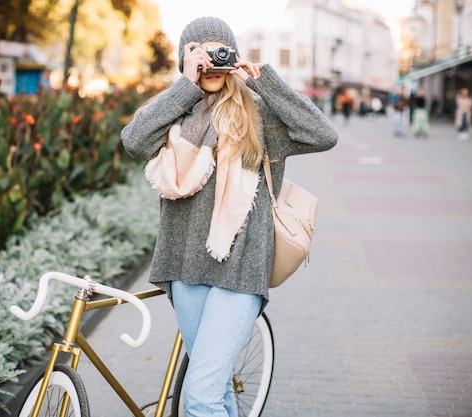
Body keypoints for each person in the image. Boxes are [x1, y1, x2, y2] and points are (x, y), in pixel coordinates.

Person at [120, 16, 338, 417]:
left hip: (240, 271)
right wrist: (185, 86)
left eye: (219, 51)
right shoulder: (174, 115)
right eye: (199, 53)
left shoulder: (257, 119)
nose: (211, 62)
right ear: (184, 60)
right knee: (216, 389)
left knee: (200, 396)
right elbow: (133, 141)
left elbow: (323, 134)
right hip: (185, 269)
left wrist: (264, 82)